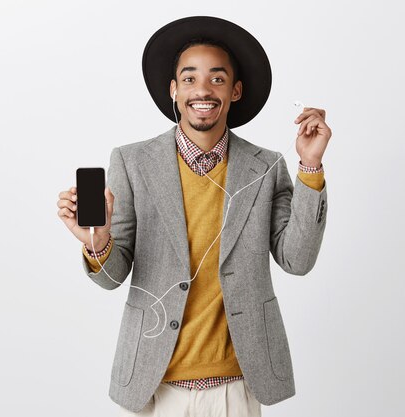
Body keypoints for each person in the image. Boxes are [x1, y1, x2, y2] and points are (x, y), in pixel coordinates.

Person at [57, 16, 332, 417]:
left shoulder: (267, 167)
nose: (202, 90)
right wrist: (97, 243)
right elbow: (113, 278)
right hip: (154, 384)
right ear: (173, 89)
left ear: (236, 90)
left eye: (217, 79)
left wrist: (310, 166)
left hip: (237, 385)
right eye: (189, 79)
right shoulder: (132, 162)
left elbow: (298, 259)